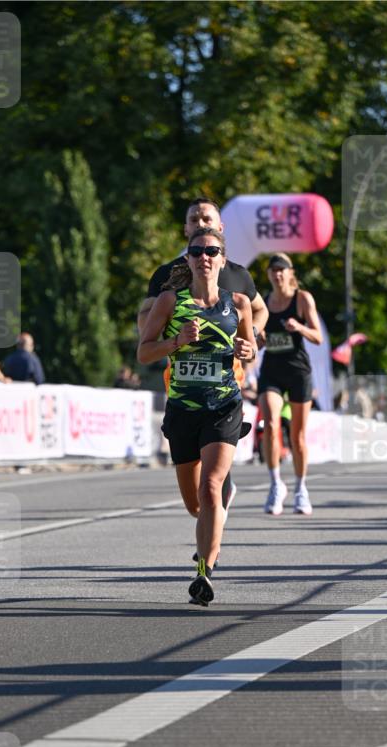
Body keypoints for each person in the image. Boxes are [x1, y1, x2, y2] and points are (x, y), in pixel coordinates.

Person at [137, 227, 257, 607]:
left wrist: (247, 350)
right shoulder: (170, 301)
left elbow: (249, 350)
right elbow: (144, 353)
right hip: (183, 410)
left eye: (212, 250)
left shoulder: (238, 303)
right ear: (188, 259)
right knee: (195, 504)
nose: (204, 256)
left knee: (211, 488)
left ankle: (204, 572)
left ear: (223, 260)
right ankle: (213, 522)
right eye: (197, 251)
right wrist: (176, 342)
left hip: (223, 407)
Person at [137, 198, 269, 519]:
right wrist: (169, 338)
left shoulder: (237, 274)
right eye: (194, 219)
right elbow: (145, 315)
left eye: (206, 218)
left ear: (220, 227)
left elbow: (259, 311)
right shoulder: (168, 275)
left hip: (227, 378)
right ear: (185, 229)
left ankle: (220, 489)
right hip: (182, 375)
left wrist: (250, 339)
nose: (200, 223)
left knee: (213, 463)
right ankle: (215, 495)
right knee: (195, 487)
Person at [255, 253, 322, 514]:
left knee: (298, 435)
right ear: (269, 274)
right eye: (273, 270)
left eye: (282, 269)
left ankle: (301, 489)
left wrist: (299, 328)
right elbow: (259, 340)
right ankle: (275, 484)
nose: (277, 274)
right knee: (270, 424)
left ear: (290, 272)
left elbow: (318, 337)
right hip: (271, 369)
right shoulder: (263, 302)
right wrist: (258, 341)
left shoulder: (302, 299)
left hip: (298, 370)